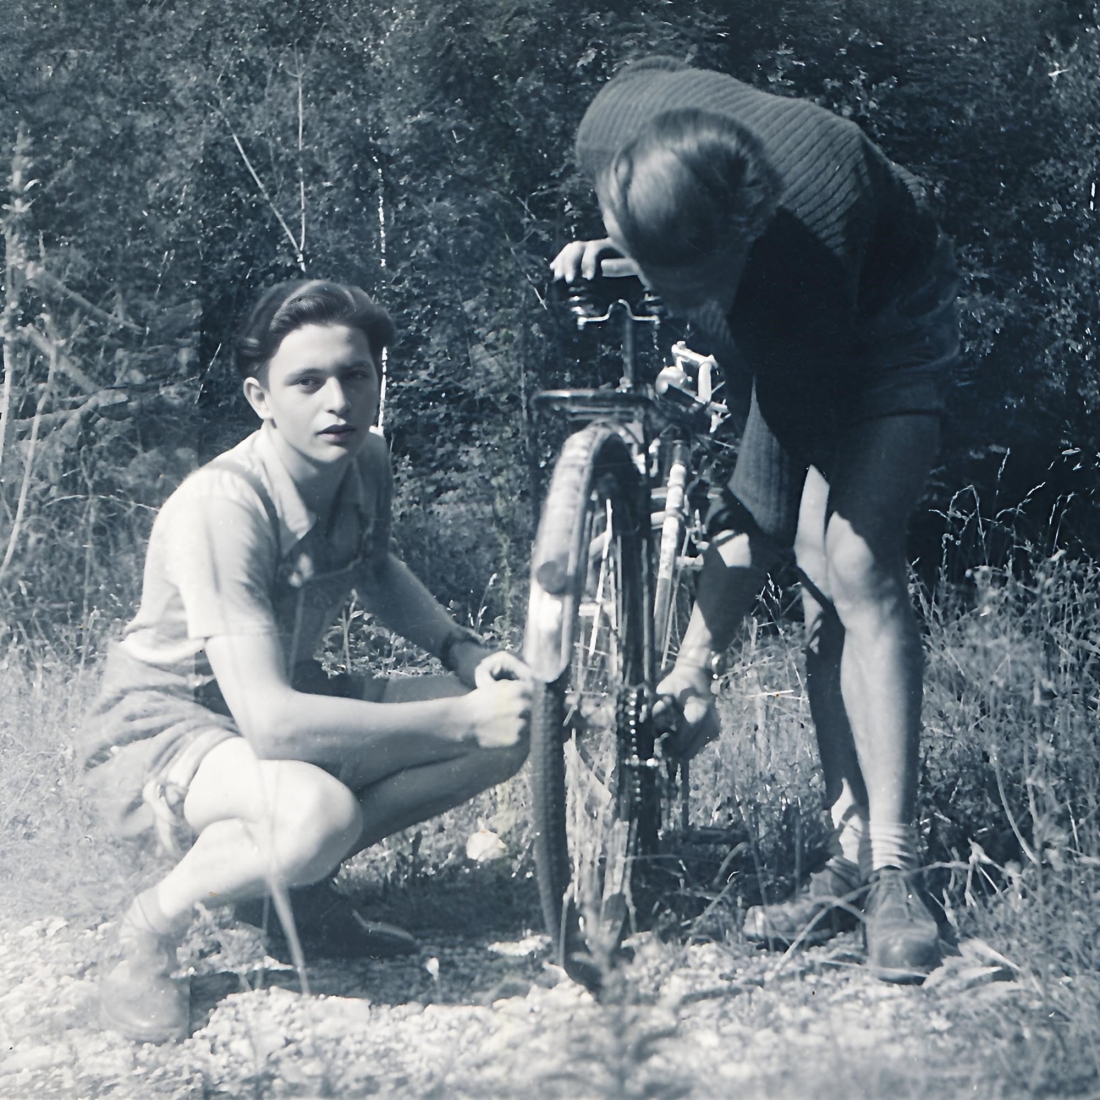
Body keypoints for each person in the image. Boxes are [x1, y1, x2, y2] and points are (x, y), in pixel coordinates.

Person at [551, 57, 960, 982]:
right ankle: (849, 861)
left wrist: (696, 662)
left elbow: (762, 507)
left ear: (744, 239)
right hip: (767, 294)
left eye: (689, 288)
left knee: (849, 561)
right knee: (820, 585)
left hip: (890, 304)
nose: (674, 308)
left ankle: (897, 874)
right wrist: (622, 247)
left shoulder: (802, 262)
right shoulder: (610, 128)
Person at [80, 280, 533, 1042]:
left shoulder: (365, 459)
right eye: (308, 382)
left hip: (281, 694)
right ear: (260, 397)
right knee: (321, 812)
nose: (339, 402)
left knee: (517, 726)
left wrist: (462, 652)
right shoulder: (224, 506)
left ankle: (287, 888)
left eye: (356, 375)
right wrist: (459, 718)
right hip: (163, 729)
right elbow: (273, 726)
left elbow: (376, 568)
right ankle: (147, 930)